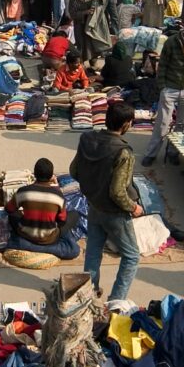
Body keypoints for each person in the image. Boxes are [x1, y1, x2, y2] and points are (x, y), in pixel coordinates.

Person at [70, 102, 144, 302]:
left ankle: (89, 294)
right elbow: (118, 192)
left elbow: (74, 171)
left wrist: (94, 188)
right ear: (126, 124)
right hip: (115, 214)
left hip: (93, 205)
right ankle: (116, 301)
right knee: (131, 256)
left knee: (93, 251)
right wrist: (134, 207)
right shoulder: (124, 152)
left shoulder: (87, 139)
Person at [141, 14, 184, 166]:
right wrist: (163, 87)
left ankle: (173, 152)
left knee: (182, 125)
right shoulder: (172, 42)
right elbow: (162, 65)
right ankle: (151, 154)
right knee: (162, 124)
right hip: (170, 88)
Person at [4, 158, 78, 260]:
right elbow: (62, 220)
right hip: (50, 238)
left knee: (12, 214)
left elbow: (8, 209)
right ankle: (52, 249)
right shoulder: (58, 196)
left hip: (26, 235)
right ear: (51, 176)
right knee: (74, 215)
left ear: (34, 174)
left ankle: (26, 246)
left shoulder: (23, 191)